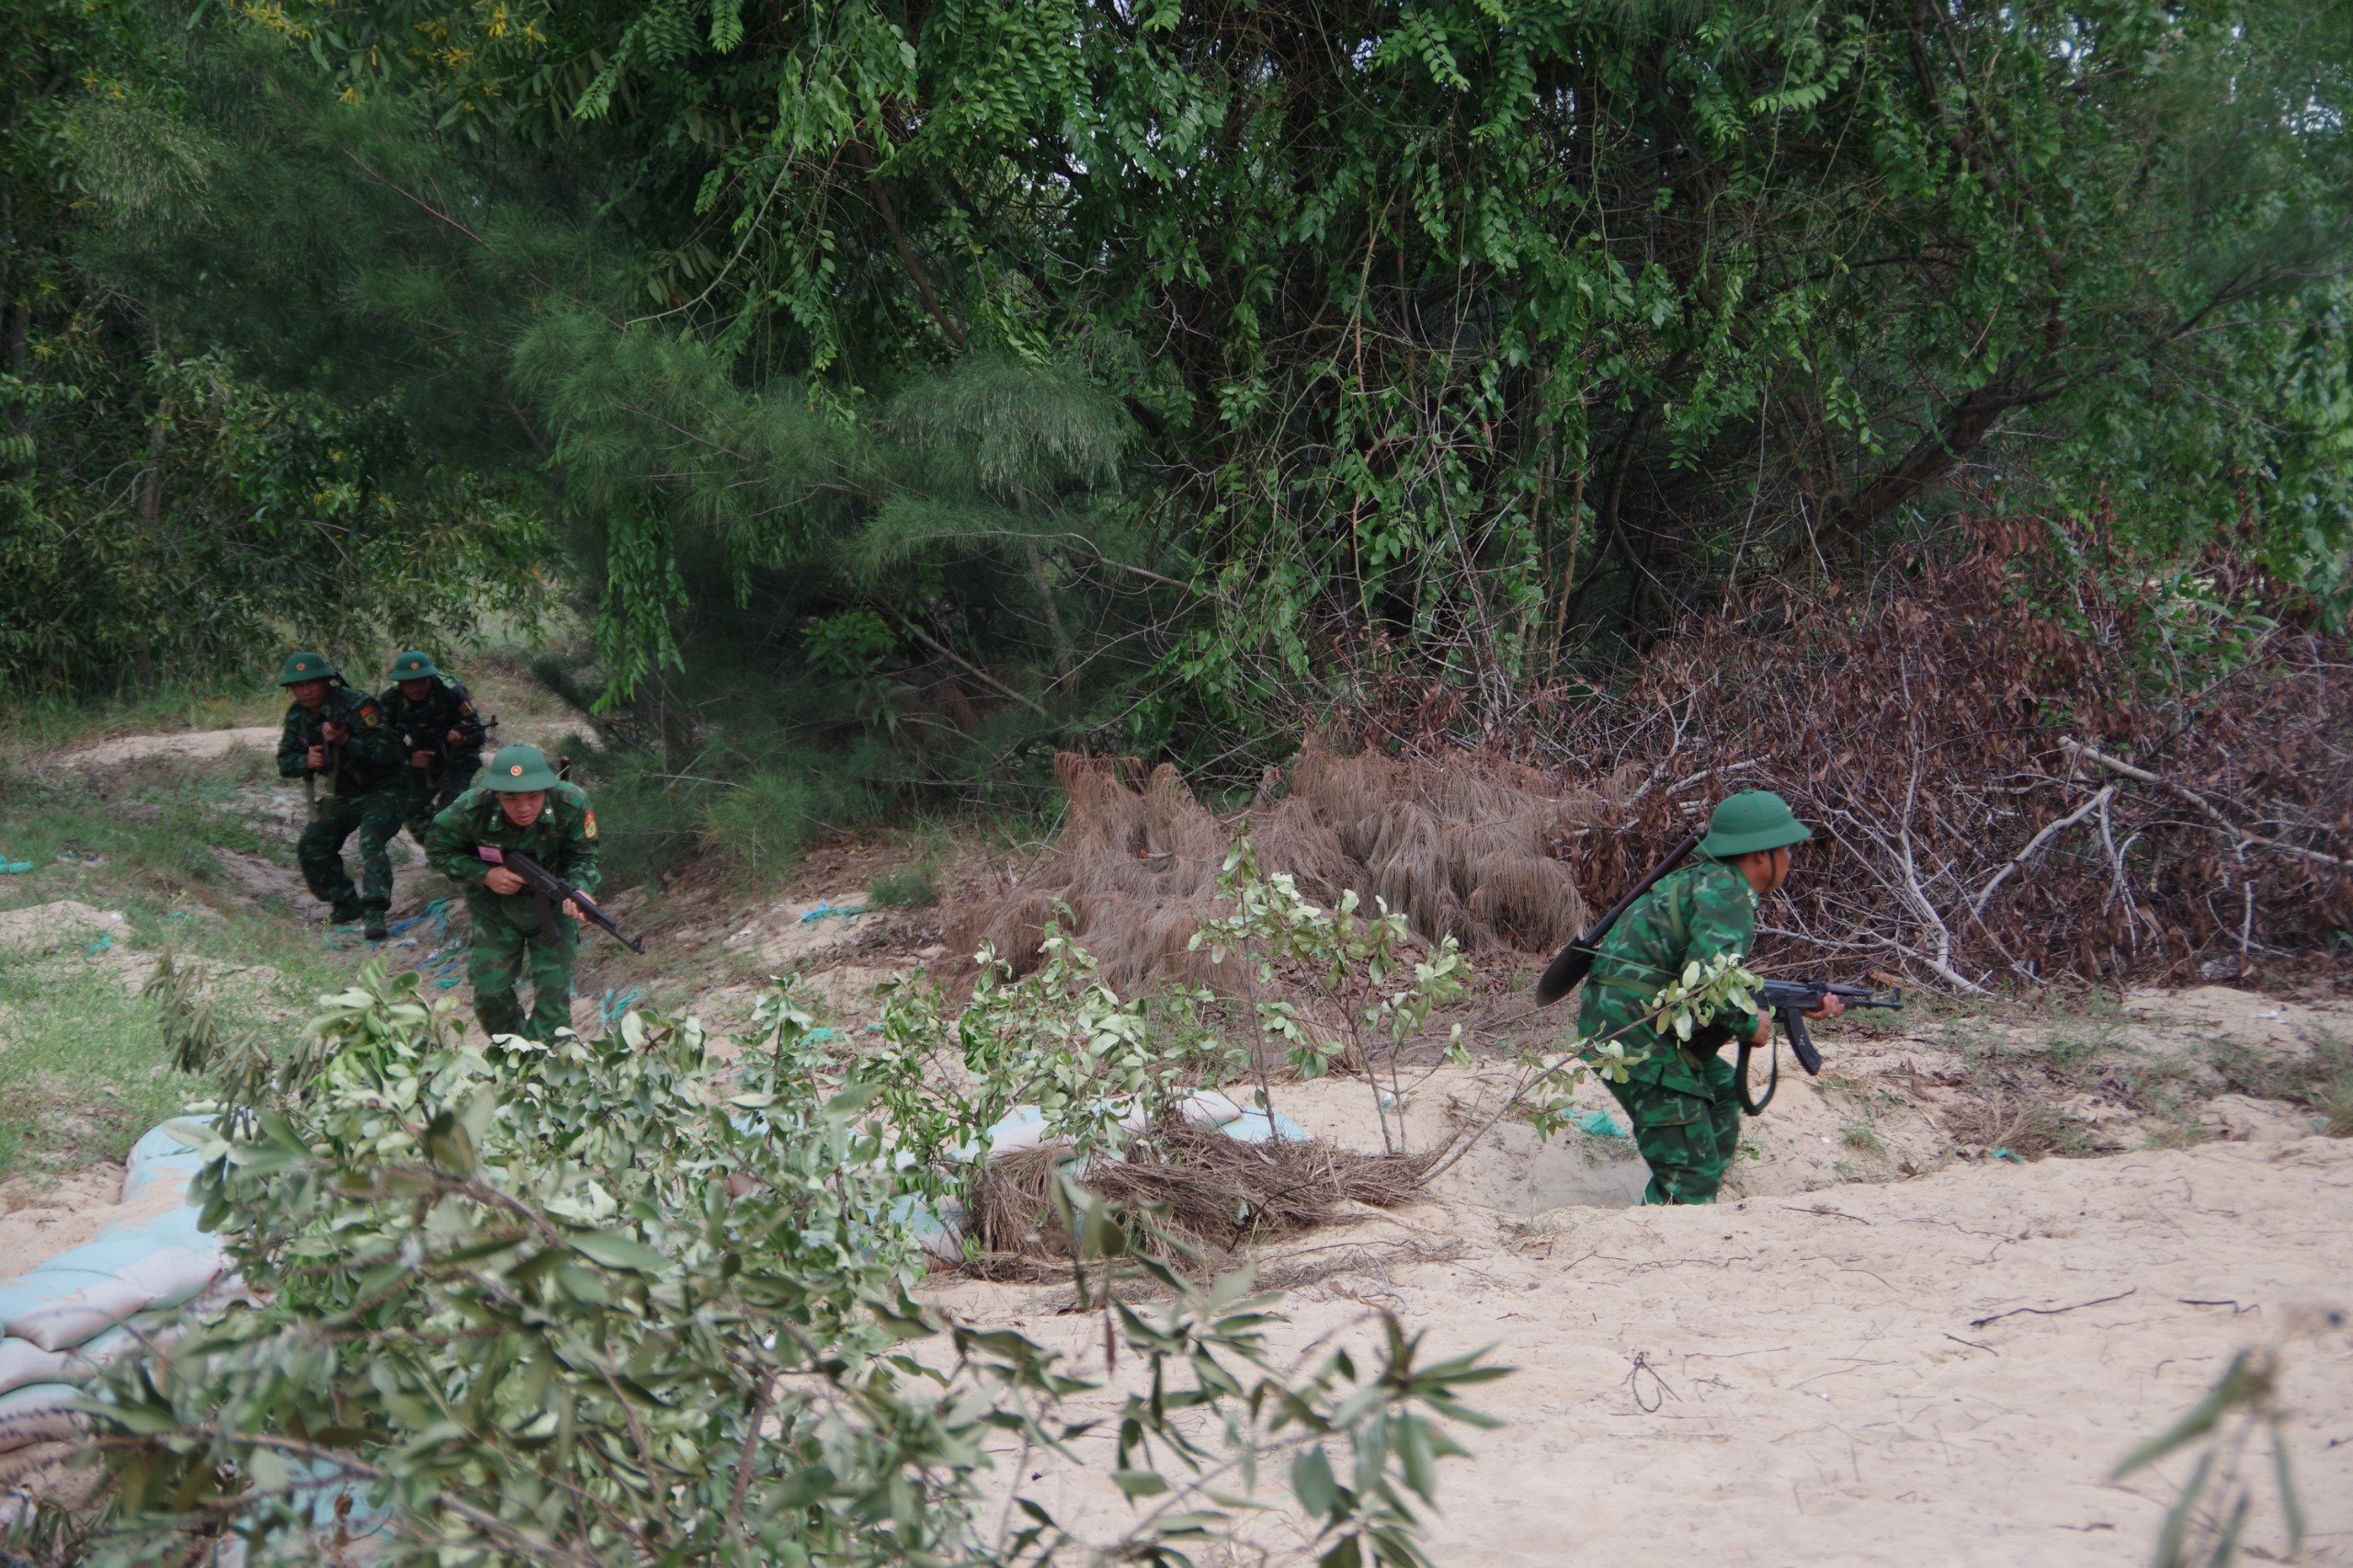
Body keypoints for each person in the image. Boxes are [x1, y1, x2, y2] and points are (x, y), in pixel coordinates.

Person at [1576, 790, 1846, 1205]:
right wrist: (1749, 1023)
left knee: (1722, 1091)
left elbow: (1705, 976)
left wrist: (1788, 1004)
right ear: (1759, 855)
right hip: (1633, 1034)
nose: (1792, 859)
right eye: (1786, 849)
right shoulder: (1729, 895)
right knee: (1689, 1174)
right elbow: (1707, 989)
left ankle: (1697, 1199)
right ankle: (1683, 1203)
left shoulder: (1701, 881)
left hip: (1620, 1021)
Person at [426, 743, 600, 1043]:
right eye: (511, 798)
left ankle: (546, 1066)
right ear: (495, 794)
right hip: (496, 911)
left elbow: (584, 857)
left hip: (555, 911)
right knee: (490, 991)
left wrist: (581, 890)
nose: (523, 808)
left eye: (533, 796)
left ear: (547, 789)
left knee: (552, 992)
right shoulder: (470, 810)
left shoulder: (570, 803)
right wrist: (485, 874)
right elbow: (437, 849)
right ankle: (514, 1053)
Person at [274, 652, 408, 940]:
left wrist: (347, 740)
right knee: (312, 846)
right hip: (343, 792)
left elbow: (390, 752)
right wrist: (306, 761)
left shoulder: (358, 705)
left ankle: (374, 912)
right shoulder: (297, 715)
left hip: (384, 787)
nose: (306, 691)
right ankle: (346, 902)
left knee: (371, 840)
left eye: (312, 684)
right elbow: (285, 760)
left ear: (327, 683)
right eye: (299, 686)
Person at [377, 650, 490, 843]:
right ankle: (438, 850)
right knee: (411, 808)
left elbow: (477, 733)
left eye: (421, 680)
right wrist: (408, 757)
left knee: (451, 809)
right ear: (401, 683)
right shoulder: (390, 699)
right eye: (410, 682)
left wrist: (462, 738)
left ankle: (460, 849)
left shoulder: (450, 690)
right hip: (424, 756)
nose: (416, 688)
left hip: (459, 756)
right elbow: (380, 740)